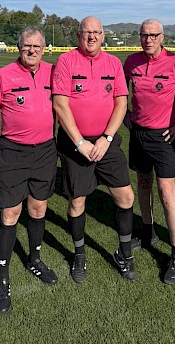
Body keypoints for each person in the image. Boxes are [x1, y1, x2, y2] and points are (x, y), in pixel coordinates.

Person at [0, 25, 58, 315]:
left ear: (44, 48)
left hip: (46, 151)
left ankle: (34, 260)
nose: (32, 50)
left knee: (38, 208)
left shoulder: (54, 73)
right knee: (10, 213)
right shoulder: (3, 75)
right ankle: (2, 278)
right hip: (12, 153)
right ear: (19, 48)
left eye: (37, 46)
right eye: (27, 46)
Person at [52, 16, 137, 283]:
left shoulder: (113, 63)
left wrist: (106, 138)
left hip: (106, 143)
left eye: (96, 32)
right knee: (77, 201)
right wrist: (80, 143)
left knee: (126, 197)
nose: (91, 36)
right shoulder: (66, 61)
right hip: (74, 144)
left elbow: (121, 103)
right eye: (86, 32)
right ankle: (79, 254)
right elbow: (60, 104)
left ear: (103, 36)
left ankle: (124, 254)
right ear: (78, 35)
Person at [123, 19, 175, 284]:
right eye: (144, 35)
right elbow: (117, 91)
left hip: (163, 137)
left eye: (153, 35)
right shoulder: (132, 62)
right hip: (138, 134)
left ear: (162, 37)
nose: (148, 39)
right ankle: (148, 232)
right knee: (143, 182)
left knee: (166, 191)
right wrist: (125, 117)